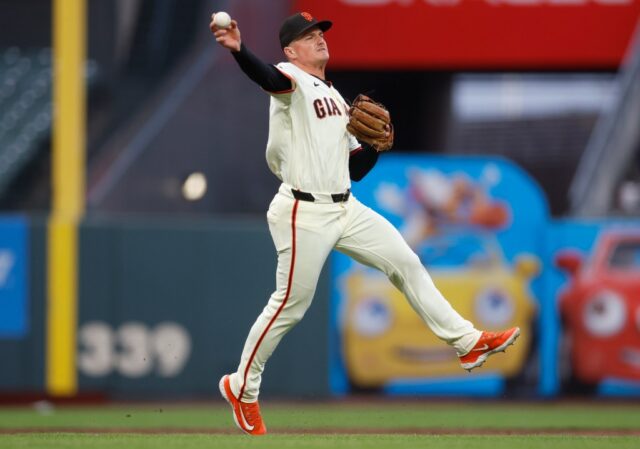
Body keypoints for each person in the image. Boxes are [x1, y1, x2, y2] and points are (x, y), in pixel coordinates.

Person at [210, 11, 520, 436]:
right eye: (308, 35)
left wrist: (374, 145)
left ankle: (466, 343)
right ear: (290, 50)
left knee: (405, 262)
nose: (318, 39)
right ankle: (242, 385)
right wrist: (239, 50)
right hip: (304, 210)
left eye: (320, 32)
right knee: (291, 305)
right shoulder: (290, 79)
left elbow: (355, 169)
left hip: (346, 206)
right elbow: (265, 76)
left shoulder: (338, 98)